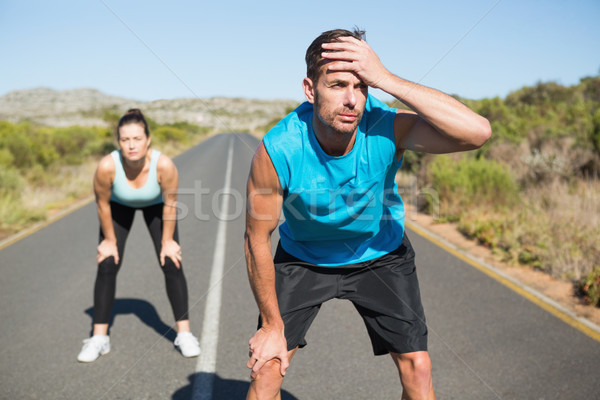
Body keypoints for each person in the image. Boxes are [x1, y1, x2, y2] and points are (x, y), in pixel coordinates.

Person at [244, 28, 491, 399]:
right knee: (267, 371)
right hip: (304, 258)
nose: (352, 100)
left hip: (381, 254)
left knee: (418, 369)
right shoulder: (279, 147)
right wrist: (272, 325)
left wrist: (386, 79)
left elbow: (477, 132)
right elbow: (256, 239)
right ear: (310, 90)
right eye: (338, 84)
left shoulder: (385, 125)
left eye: (361, 86)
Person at [77, 109, 201, 362]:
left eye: (137, 138)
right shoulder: (107, 166)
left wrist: (168, 242)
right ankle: (99, 338)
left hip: (157, 206)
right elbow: (102, 204)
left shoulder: (164, 165)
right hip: (118, 206)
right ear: (118, 141)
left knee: (171, 261)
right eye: (125, 140)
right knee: (107, 262)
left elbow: (170, 203)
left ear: (148, 139)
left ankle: (184, 334)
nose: (131, 145)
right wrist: (109, 242)